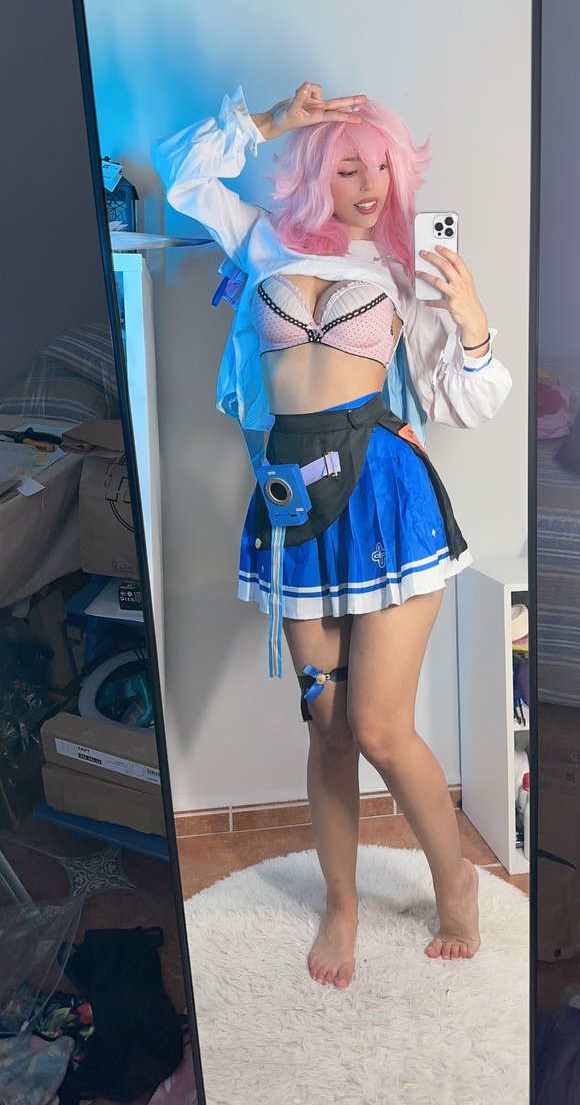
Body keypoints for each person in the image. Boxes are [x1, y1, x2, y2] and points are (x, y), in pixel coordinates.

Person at [152, 81, 512, 990]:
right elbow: (182, 175)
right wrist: (272, 121)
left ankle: (456, 881)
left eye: (381, 169)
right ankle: (342, 904)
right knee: (327, 729)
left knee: (379, 726)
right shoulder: (262, 239)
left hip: (387, 502)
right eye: (348, 168)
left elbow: (465, 402)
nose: (368, 186)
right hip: (292, 506)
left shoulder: (403, 266)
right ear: (316, 173)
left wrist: (473, 328)